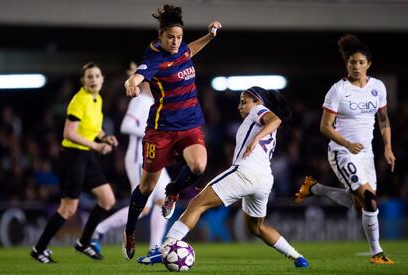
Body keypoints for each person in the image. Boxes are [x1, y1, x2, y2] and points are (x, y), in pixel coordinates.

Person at [162, 87, 309, 268]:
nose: (239, 106)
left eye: (243, 101)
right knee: (256, 228)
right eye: (239, 102)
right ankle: (297, 257)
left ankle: (166, 247)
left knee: (196, 204)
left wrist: (256, 139)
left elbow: (275, 119)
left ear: (258, 102)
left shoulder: (258, 111)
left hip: (246, 173)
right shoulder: (253, 121)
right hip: (263, 180)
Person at [122, 4, 222, 260]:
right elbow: (138, 76)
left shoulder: (181, 50)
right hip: (161, 131)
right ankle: (130, 232)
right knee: (145, 189)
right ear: (160, 34)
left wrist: (209, 37)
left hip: (189, 125)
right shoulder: (154, 58)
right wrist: (131, 84)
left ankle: (173, 192)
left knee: (199, 166)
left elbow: (190, 51)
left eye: (179, 37)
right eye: (170, 37)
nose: (176, 42)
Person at [294, 34, 395, 264]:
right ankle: (377, 254)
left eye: (360, 62)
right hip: (343, 152)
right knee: (369, 199)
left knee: (361, 205)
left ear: (368, 63)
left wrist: (388, 148)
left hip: (367, 154)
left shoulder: (378, 87)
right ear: (346, 64)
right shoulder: (338, 90)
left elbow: (384, 120)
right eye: (352, 62)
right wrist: (347, 144)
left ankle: (315, 188)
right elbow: (324, 127)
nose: (356, 66)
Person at [30, 62, 118, 263]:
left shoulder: (97, 99)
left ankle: (84, 243)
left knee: (107, 200)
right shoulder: (79, 101)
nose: (93, 79)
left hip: (86, 156)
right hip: (73, 156)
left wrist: (105, 138)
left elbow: (94, 127)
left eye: (97, 76)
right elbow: (69, 133)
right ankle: (39, 249)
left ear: (102, 79)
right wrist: (97, 147)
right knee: (68, 208)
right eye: (89, 77)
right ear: (83, 81)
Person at [91, 62, 170, 265]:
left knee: (164, 200)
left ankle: (154, 249)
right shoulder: (141, 100)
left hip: (152, 155)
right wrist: (151, 135)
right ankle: (97, 231)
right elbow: (126, 126)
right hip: (139, 156)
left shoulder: (153, 102)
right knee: (144, 208)